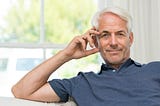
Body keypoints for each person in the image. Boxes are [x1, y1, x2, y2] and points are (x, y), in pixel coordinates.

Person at [11, 7, 160, 106]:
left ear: (131, 39)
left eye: (120, 34)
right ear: (96, 41)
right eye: (105, 35)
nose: (113, 42)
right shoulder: (82, 83)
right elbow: (22, 91)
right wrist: (66, 55)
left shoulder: (155, 70)